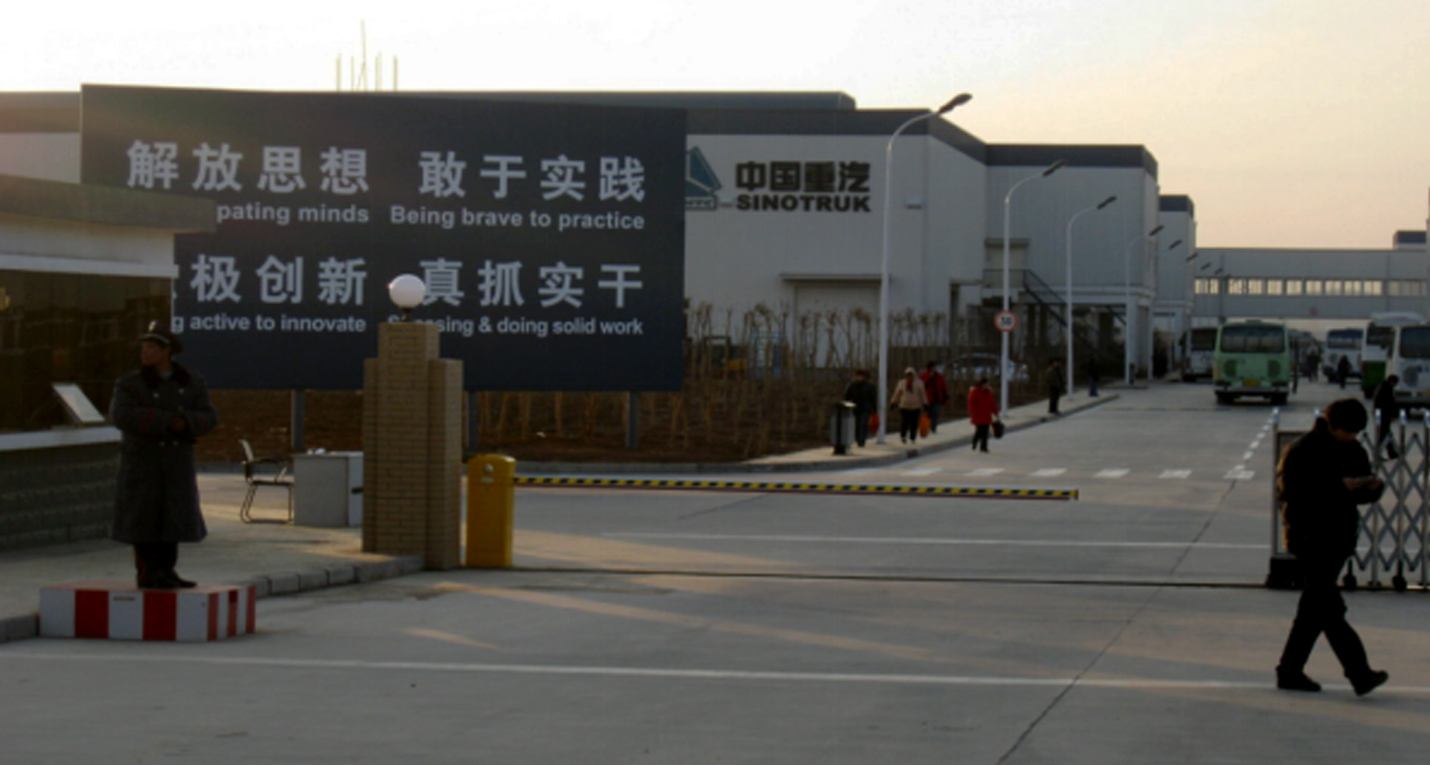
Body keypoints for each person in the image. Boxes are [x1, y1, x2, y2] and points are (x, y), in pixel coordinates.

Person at [1274, 398, 1390, 696]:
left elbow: (1357, 497)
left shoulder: (1354, 450)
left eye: (1356, 432)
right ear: (1331, 424)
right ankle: (1359, 672)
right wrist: (1340, 487)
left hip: (1339, 539)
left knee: (1313, 610)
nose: (1351, 437)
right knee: (1330, 608)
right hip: (1309, 538)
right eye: (1347, 431)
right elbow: (1293, 494)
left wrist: (1371, 489)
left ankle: (1289, 671)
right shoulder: (1301, 451)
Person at [110, 322, 219, 589]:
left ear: (167, 350)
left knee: (173, 518)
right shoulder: (131, 383)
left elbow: (209, 416)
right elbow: (121, 415)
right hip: (143, 461)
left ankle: (167, 570)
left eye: (152, 347)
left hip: (175, 460)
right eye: (144, 347)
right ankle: (148, 572)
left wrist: (186, 422)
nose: (145, 352)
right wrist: (164, 421)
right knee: (143, 518)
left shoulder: (191, 382)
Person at [889, 367, 928, 444]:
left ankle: (912, 437)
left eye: (911, 375)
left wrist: (925, 403)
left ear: (914, 375)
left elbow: (922, 394)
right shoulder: (902, 383)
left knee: (914, 423)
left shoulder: (919, 383)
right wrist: (893, 402)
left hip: (915, 406)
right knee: (904, 422)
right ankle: (903, 436)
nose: (909, 377)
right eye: (908, 375)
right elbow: (897, 393)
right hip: (904, 406)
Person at [842, 369, 878, 448]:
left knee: (863, 424)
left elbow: (873, 398)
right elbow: (847, 397)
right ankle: (857, 438)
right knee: (856, 425)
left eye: (860, 376)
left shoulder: (869, 386)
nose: (859, 378)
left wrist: (874, 410)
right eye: (857, 376)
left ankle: (862, 440)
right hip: (854, 408)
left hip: (865, 408)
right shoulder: (852, 385)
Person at [967, 377, 1000, 453]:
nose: (987, 386)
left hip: (986, 415)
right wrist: (972, 411)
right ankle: (975, 442)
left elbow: (992, 403)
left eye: (988, 385)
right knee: (979, 431)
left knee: (985, 432)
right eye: (986, 384)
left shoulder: (989, 393)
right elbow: (971, 402)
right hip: (978, 415)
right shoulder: (975, 392)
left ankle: (984, 447)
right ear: (982, 384)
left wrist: (996, 412)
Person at [1372, 374, 1401, 460]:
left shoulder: (1382, 387)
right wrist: (1394, 413)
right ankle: (1381, 453)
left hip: (1381, 414)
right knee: (1384, 435)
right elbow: (1389, 403)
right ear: (1392, 381)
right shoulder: (1387, 389)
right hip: (1384, 415)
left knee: (1385, 434)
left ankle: (1391, 453)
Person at [919, 361, 951, 434]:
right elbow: (921, 386)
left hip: (936, 398)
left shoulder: (939, 376)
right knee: (928, 414)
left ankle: (933, 427)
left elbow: (943, 386)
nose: (935, 368)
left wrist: (946, 395)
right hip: (926, 398)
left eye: (935, 367)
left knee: (935, 413)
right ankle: (926, 427)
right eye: (933, 367)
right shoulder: (924, 376)